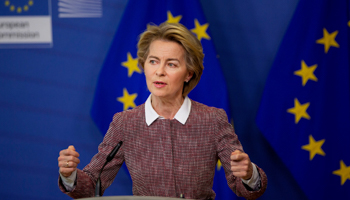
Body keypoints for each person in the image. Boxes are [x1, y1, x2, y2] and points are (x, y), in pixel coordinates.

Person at [58, 22, 267, 199]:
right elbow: (94, 183)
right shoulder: (125, 123)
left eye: (172, 64)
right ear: (144, 65)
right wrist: (70, 175)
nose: (159, 71)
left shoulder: (213, 120)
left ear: (189, 73)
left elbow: (245, 189)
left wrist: (249, 175)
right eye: (153, 61)